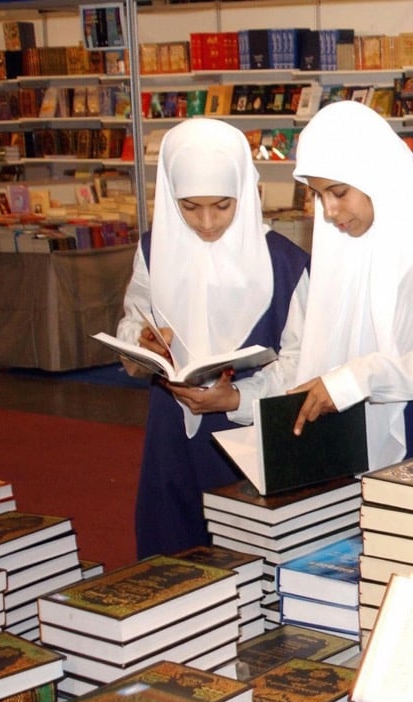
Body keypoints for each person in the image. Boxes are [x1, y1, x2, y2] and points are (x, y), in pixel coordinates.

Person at [116, 117, 309, 558]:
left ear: (248, 191)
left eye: (223, 206)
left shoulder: (287, 263)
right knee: (171, 557)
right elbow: (132, 318)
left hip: (252, 435)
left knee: (248, 558)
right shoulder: (154, 249)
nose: (206, 222)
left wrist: (237, 398)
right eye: (189, 207)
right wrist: (142, 341)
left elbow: (302, 363)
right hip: (171, 433)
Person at [283, 100, 413, 472]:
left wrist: (359, 379)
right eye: (318, 195)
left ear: (372, 173)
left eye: (339, 191)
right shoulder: (333, 246)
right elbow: (302, 353)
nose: (329, 212)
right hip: (346, 434)